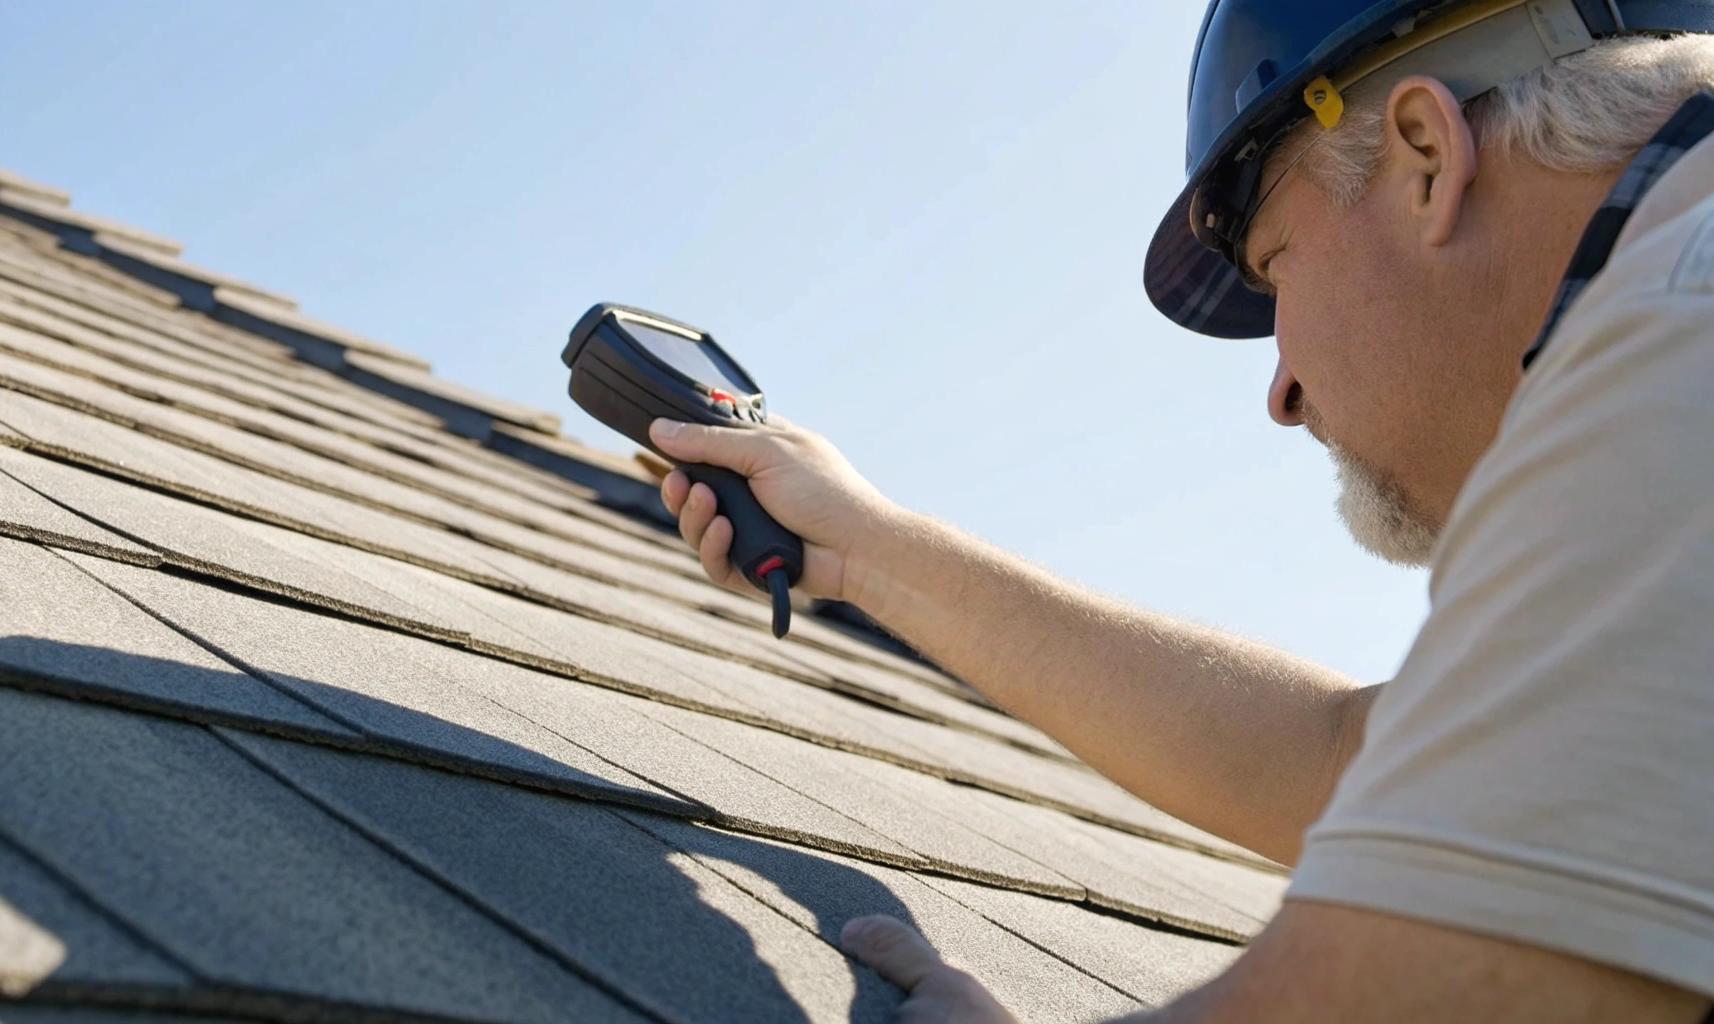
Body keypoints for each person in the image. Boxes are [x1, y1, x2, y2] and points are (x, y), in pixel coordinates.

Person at [647, 1, 1714, 1020]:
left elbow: (1423, 985)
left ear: (1425, 155)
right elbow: (1349, 765)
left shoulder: (1688, 314)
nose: (1280, 391)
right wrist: (869, 550)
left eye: (1275, 266)